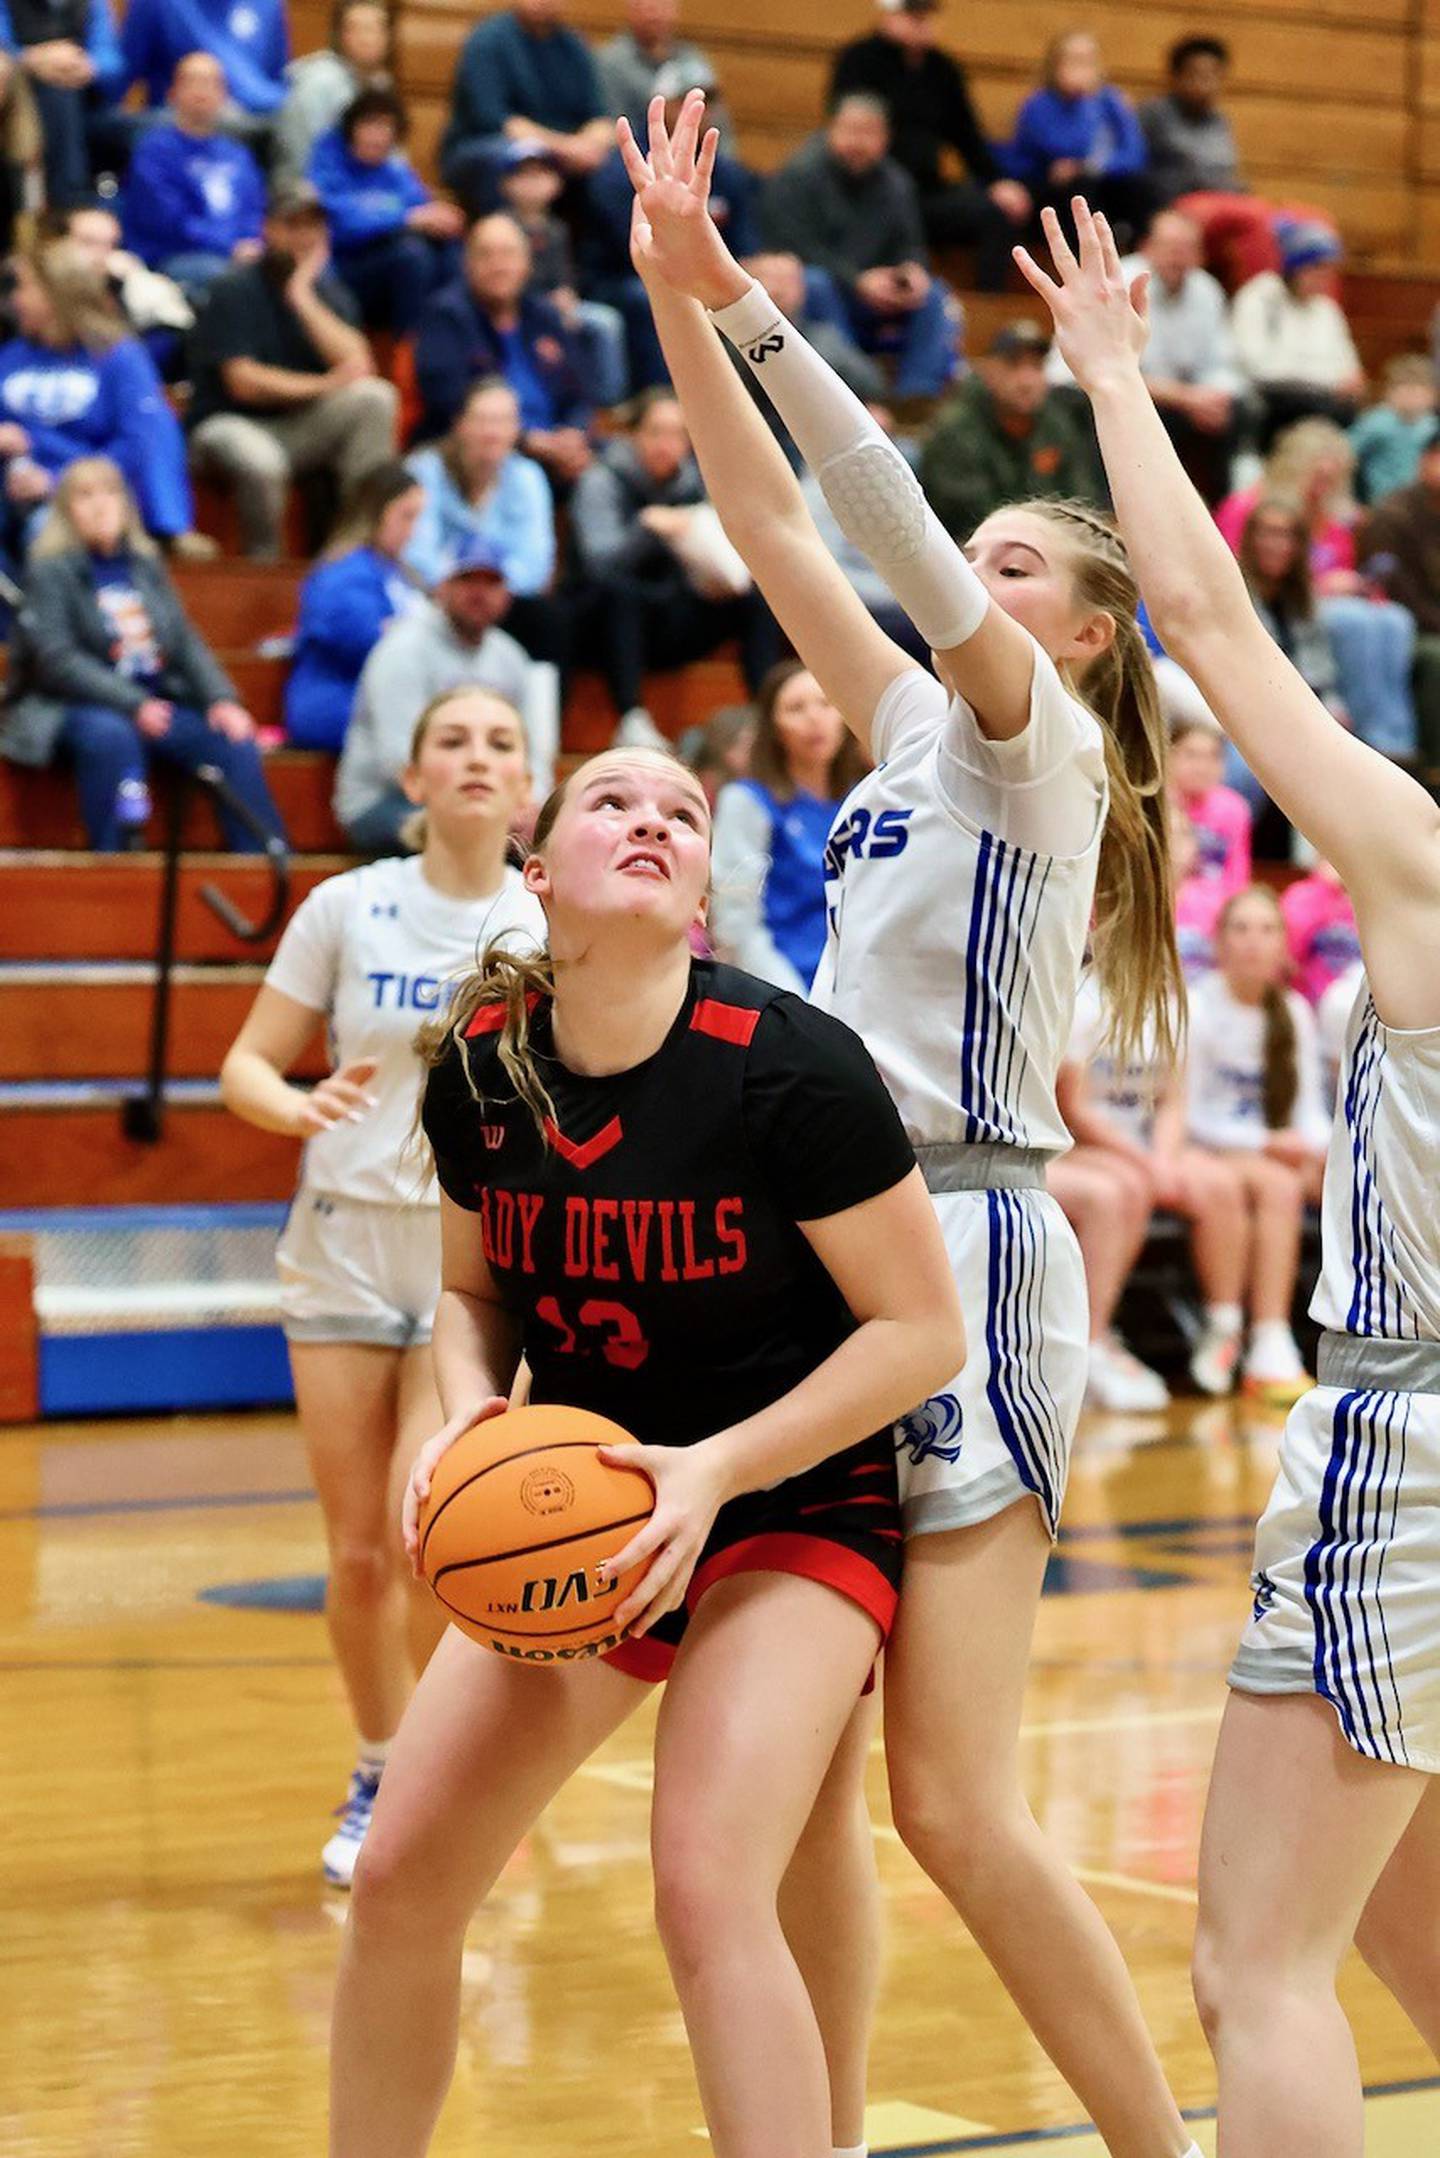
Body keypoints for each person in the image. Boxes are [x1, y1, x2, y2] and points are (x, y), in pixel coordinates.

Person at [620, 95, 1202, 2158]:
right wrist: (672, 294)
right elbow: (779, 532)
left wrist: (751, 307)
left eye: (1024, 560)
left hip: (966, 1247)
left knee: (951, 1796)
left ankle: (1167, 2140)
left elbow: (868, 510)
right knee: (805, 1789)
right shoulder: (902, 732)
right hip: (830, 1255)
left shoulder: (1038, 758)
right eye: (993, 552)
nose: (987, 570)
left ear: (1084, 632)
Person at [328, 735, 964, 2158]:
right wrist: (466, 1414)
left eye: (682, 809)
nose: (654, 816)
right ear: (541, 874)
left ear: (701, 893)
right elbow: (473, 1295)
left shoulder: (791, 1068)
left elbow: (922, 1332)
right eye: (613, 797)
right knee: (401, 1877)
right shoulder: (484, 1070)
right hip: (593, 1496)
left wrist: (717, 1469)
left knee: (704, 1884)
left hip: (793, 1497)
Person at [1020, 196, 1440, 2151]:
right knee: (1419, 1955)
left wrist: (1113, 374)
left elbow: (1206, 627)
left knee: (1253, 1965)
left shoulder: (1424, 861)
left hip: (1411, 1451)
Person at [220, 685, 542, 1886]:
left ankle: (435, 1783)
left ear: (526, 783)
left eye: (499, 742)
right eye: (450, 739)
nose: (475, 757)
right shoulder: (346, 906)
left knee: (428, 1538)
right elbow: (244, 1062)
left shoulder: (545, 917)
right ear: (412, 779)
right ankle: (378, 1760)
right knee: (357, 1551)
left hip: (476, 1259)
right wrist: (293, 1104)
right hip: (345, 1241)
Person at [0, 456, 281, 852]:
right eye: (85, 495)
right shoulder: (50, 571)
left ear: (127, 504)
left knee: (230, 738)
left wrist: (222, 699)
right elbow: (56, 660)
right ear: (65, 510)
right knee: (112, 735)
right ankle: (118, 862)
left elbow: (183, 641)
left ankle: (266, 859)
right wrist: (133, 704)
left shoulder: (145, 566)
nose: (101, 504)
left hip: (155, 703)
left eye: (111, 492)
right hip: (68, 707)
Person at [1051, 968, 1252, 1405]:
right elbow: (1071, 1107)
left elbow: (1172, 1100)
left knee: (1219, 1184)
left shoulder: (1169, 1000)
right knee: (1123, 1189)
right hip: (1079, 1144)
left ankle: (1222, 1330)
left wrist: (1162, 1159)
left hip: (1145, 1148)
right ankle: (1091, 1340)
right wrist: (1143, 1163)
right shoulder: (1082, 1000)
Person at [186, 181, 399, 559]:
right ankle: (265, 570)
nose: (304, 237)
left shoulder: (328, 292)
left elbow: (359, 365)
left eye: (313, 227)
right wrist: (327, 384)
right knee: (261, 460)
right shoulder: (233, 287)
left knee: (376, 399)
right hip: (229, 423)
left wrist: (302, 296)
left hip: (299, 426)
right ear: (268, 229)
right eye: (293, 225)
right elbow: (243, 383)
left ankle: (353, 552)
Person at [1182, 886, 1329, 1403]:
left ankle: (1305, 1331)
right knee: (1278, 1185)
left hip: (1266, 1153)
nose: (1253, 941)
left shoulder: (1292, 1010)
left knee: (1321, 1175)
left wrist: (1318, 1148)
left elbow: (1310, 1112)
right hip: (1205, 1149)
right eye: (1240, 928)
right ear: (1219, 942)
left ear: (1283, 945)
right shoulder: (1198, 1006)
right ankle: (1262, 1335)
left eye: (1267, 929)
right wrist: (1269, 1143)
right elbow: (1191, 1116)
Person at [569, 388, 778, 748]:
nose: (667, 444)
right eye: (656, 432)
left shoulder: (694, 485)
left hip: (670, 615)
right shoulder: (600, 480)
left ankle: (767, 715)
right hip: (602, 624)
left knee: (755, 599)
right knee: (621, 595)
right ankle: (631, 719)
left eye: (678, 434)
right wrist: (648, 529)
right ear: (632, 434)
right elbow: (598, 566)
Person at [1218, 422, 1417, 769]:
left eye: (1332, 479)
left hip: (1321, 604)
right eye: (1317, 476)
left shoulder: (1338, 520)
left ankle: (1397, 738)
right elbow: (1240, 570)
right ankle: (1375, 738)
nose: (1322, 487)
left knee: (1394, 620)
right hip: (1281, 605)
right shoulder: (1251, 508)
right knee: (1352, 622)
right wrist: (1323, 585)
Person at [335, 539, 558, 848]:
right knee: (482, 836)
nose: (479, 592)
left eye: (491, 582)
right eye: (467, 580)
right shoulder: (403, 648)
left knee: (554, 837)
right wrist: (486, 808)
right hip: (384, 802)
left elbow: (533, 751)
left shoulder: (510, 657)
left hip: (480, 798)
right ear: (441, 587)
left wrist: (528, 803)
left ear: (507, 595)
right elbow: (399, 761)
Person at [0, 239, 199, 568]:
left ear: (57, 293)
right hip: (12, 491)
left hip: (88, 498)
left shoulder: (118, 357)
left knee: (48, 533)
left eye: (24, 288)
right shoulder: (11, 357)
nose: (14, 300)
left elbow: (138, 444)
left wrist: (56, 481)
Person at [760, 93, 959, 402]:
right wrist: (857, 281)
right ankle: (854, 387)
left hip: (878, 295)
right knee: (813, 282)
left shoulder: (897, 183)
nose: (859, 142)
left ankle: (915, 398)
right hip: (830, 292)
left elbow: (910, 244)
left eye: (869, 133)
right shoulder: (799, 175)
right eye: (851, 130)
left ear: (885, 138)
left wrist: (911, 270)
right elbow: (795, 248)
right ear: (831, 129)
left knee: (933, 294)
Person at [1049, 208, 1244, 507]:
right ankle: (1107, 509)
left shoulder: (1206, 291)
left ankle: (1223, 512)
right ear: (1147, 247)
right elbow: (1108, 368)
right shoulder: (1119, 281)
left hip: (1170, 398)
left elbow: (1221, 364)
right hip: (1084, 388)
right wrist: (1186, 397)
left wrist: (1211, 396)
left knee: (1239, 409)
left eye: (1188, 249)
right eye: (1170, 248)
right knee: (1115, 409)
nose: (1179, 257)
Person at [829, 0, 1030, 290]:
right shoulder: (858, 61)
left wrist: (997, 181)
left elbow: (967, 135)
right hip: (872, 192)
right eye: (913, 14)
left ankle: (988, 306)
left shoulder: (943, 69)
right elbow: (847, 130)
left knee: (996, 211)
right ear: (889, 15)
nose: (921, 22)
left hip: (928, 192)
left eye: (927, 15)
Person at [585, 60, 759, 393]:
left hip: (702, 276)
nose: (698, 110)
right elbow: (630, 244)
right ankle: (665, 395)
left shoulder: (726, 171)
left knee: (773, 284)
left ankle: (751, 399)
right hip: (621, 278)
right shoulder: (625, 164)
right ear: (660, 103)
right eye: (684, 100)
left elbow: (746, 246)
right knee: (656, 293)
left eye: (709, 100)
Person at [710, 658, 868, 994]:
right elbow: (736, 922)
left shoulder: (867, 797)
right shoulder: (747, 801)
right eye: (796, 708)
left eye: (825, 704)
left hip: (857, 986)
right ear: (774, 728)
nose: (815, 718)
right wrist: (797, 1006)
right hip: (780, 988)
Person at [1138, 37, 1340, 295]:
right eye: (1196, 75)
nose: (1205, 84)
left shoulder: (1219, 121)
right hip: (1181, 204)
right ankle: (1257, 305)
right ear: (1176, 77)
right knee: (1253, 219)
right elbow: (1144, 175)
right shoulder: (1154, 115)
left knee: (1316, 223)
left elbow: (1227, 172)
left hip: (1227, 200)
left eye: (1213, 76)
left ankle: (1322, 317)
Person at [413, 212, 594, 488]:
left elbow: (579, 391)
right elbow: (448, 402)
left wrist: (574, 434)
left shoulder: (543, 315)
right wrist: (526, 441)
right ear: (467, 263)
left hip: (557, 449)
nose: (499, 266)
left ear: (527, 263)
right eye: (486, 255)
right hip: (482, 452)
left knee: (607, 470)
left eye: (508, 254)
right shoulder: (447, 315)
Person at [284, 460, 425, 752]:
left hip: (387, 706)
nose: (414, 531)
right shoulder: (341, 573)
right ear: (375, 514)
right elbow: (369, 644)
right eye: (407, 516)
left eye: (418, 518)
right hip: (338, 705)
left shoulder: (402, 573)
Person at [403, 376, 559, 639]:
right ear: (460, 424)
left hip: (506, 602)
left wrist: (488, 592)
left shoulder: (528, 476)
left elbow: (536, 562)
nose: (491, 433)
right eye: (482, 420)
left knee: (549, 617)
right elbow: (416, 553)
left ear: (516, 428)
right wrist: (462, 591)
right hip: (434, 600)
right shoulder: (424, 470)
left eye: (502, 422)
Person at [919, 319, 1104, 540]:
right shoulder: (954, 429)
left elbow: (1082, 501)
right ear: (988, 371)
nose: (1026, 381)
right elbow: (969, 515)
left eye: (1036, 367)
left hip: (1046, 548)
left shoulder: (1056, 424)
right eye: (1013, 365)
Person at [308, 87, 465, 334]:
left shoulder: (395, 170)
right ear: (351, 130)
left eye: (385, 128)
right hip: (346, 268)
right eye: (368, 125)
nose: (376, 136)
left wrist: (441, 220)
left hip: (393, 265)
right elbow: (339, 223)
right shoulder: (327, 163)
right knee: (411, 255)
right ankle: (408, 351)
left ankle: (452, 337)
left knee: (449, 250)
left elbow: (420, 207)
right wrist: (405, 218)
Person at [1233, 497, 1343, 843]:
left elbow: (1321, 670)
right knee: (1244, 769)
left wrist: (1331, 710)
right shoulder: (1235, 591)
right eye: (1267, 533)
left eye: (1286, 535)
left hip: (1305, 710)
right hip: (1246, 711)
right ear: (1251, 539)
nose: (1276, 544)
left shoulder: (1303, 599)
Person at [438, 0, 610, 219]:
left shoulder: (574, 45)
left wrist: (589, 145)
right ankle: (507, 246)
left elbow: (601, 117)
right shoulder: (488, 40)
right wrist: (565, 148)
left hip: (563, 153)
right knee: (514, 159)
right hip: (483, 146)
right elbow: (497, 120)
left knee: (615, 169)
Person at [121, 52, 265, 302]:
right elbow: (170, 222)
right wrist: (231, 247)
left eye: (212, 83)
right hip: (175, 256)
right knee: (234, 283)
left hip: (239, 255)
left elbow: (255, 211)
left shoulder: (237, 154)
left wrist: (254, 243)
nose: (202, 91)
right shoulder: (154, 151)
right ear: (173, 92)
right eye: (193, 81)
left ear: (224, 95)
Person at [497, 141, 630, 408]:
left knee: (605, 323)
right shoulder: (500, 227)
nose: (533, 183)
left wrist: (567, 296)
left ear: (556, 183)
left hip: (555, 305)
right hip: (520, 306)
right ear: (505, 183)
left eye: (541, 174)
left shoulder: (556, 229)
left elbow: (564, 276)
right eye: (524, 174)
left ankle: (606, 404)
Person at [1005, 32, 1151, 248]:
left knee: (1139, 189)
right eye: (1073, 60)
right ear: (1055, 65)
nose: (1080, 68)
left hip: (1100, 180)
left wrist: (1091, 166)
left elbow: (1135, 155)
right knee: (1080, 190)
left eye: (1087, 61)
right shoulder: (1038, 104)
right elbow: (1058, 148)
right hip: (1050, 188)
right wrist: (1080, 105)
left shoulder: (1110, 100)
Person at [1231, 222, 1365, 449]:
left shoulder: (1326, 309)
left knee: (1352, 416)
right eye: (1316, 269)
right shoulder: (1259, 298)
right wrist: (1328, 381)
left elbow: (1349, 366)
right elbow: (1258, 366)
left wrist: (1347, 380)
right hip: (1273, 398)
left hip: (1324, 398)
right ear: (1293, 268)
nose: (1324, 279)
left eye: (1328, 271)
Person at [1361, 434, 1440, 768]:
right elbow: (1396, 591)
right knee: (1436, 658)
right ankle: (1434, 766)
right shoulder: (1393, 515)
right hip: (1406, 627)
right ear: (1425, 461)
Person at [7, 0, 124, 207]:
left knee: (150, 131)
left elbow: (113, 61)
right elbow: (2, 47)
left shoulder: (92, 4)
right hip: (22, 103)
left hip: (88, 103)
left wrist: (88, 65)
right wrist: (30, 59)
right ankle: (69, 205)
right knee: (59, 95)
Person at [274, 0, 392, 185]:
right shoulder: (319, 82)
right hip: (309, 192)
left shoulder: (381, 84)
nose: (367, 39)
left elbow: (392, 159)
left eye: (375, 29)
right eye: (356, 29)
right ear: (338, 35)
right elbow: (305, 160)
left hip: (360, 191)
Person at [120, 0, 286, 129]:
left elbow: (276, 79)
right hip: (181, 129)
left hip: (261, 126)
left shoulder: (268, 4)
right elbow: (123, 76)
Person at [595, 0, 714, 128]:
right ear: (631, 10)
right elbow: (612, 125)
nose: (654, 15)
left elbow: (718, 120)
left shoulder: (692, 58)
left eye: (662, 6)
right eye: (647, 7)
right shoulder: (611, 63)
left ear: (675, 10)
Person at [1167, 713, 1250, 891]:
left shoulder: (1234, 809)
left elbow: (1237, 877)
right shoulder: (1158, 805)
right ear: (1169, 756)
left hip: (1216, 907)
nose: (1202, 767)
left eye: (1213, 756)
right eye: (1192, 755)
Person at [1348, 356, 1437, 507]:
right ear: (1388, 392)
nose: (1411, 396)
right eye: (1404, 388)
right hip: (1384, 503)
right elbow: (1346, 453)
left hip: (1426, 505)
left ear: (1432, 395)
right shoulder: (1376, 422)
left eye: (1418, 389)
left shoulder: (1432, 426)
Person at [1281, 857, 1360, 1009]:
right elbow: (1287, 959)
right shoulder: (1302, 896)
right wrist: (1325, 889)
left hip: (1360, 1008)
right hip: (1309, 1005)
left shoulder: (1374, 898)